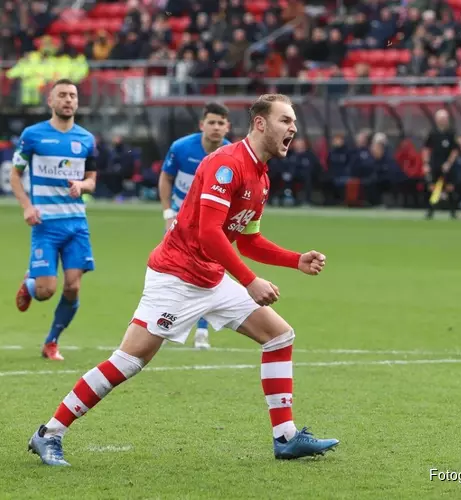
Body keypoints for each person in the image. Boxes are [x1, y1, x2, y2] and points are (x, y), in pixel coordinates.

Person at [28, 94, 339, 466]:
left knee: (279, 336)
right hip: (175, 276)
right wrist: (250, 280)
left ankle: (285, 437)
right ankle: (49, 433)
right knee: (128, 361)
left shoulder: (260, 175)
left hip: (211, 278)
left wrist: (295, 260)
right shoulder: (227, 164)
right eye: (286, 120)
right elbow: (209, 233)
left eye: (293, 122)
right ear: (260, 123)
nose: (293, 128)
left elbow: (249, 239)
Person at [12, 79, 98, 361]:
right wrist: (27, 206)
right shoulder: (33, 135)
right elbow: (15, 175)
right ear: (51, 101)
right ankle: (30, 283)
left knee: (73, 286)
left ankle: (51, 342)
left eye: (72, 95)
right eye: (62, 95)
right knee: (46, 292)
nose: (68, 100)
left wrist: (82, 186)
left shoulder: (86, 139)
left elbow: (92, 181)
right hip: (45, 225)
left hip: (76, 224)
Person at [159, 102, 231, 349]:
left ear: (227, 127)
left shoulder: (232, 155)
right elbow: (166, 178)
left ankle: (201, 330)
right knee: (173, 275)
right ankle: (165, 324)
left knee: (205, 274)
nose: (216, 127)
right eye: (211, 122)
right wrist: (168, 212)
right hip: (179, 222)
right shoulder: (181, 148)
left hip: (211, 226)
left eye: (221, 123)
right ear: (202, 125)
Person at [423, 109, 460, 219]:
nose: (443, 121)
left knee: (449, 188)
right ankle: (430, 211)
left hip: (448, 166)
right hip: (435, 164)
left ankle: (453, 212)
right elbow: (426, 149)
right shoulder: (432, 133)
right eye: (441, 118)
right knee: (433, 188)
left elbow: (455, 150)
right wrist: (426, 163)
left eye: (445, 118)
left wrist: (448, 163)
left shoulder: (451, 133)